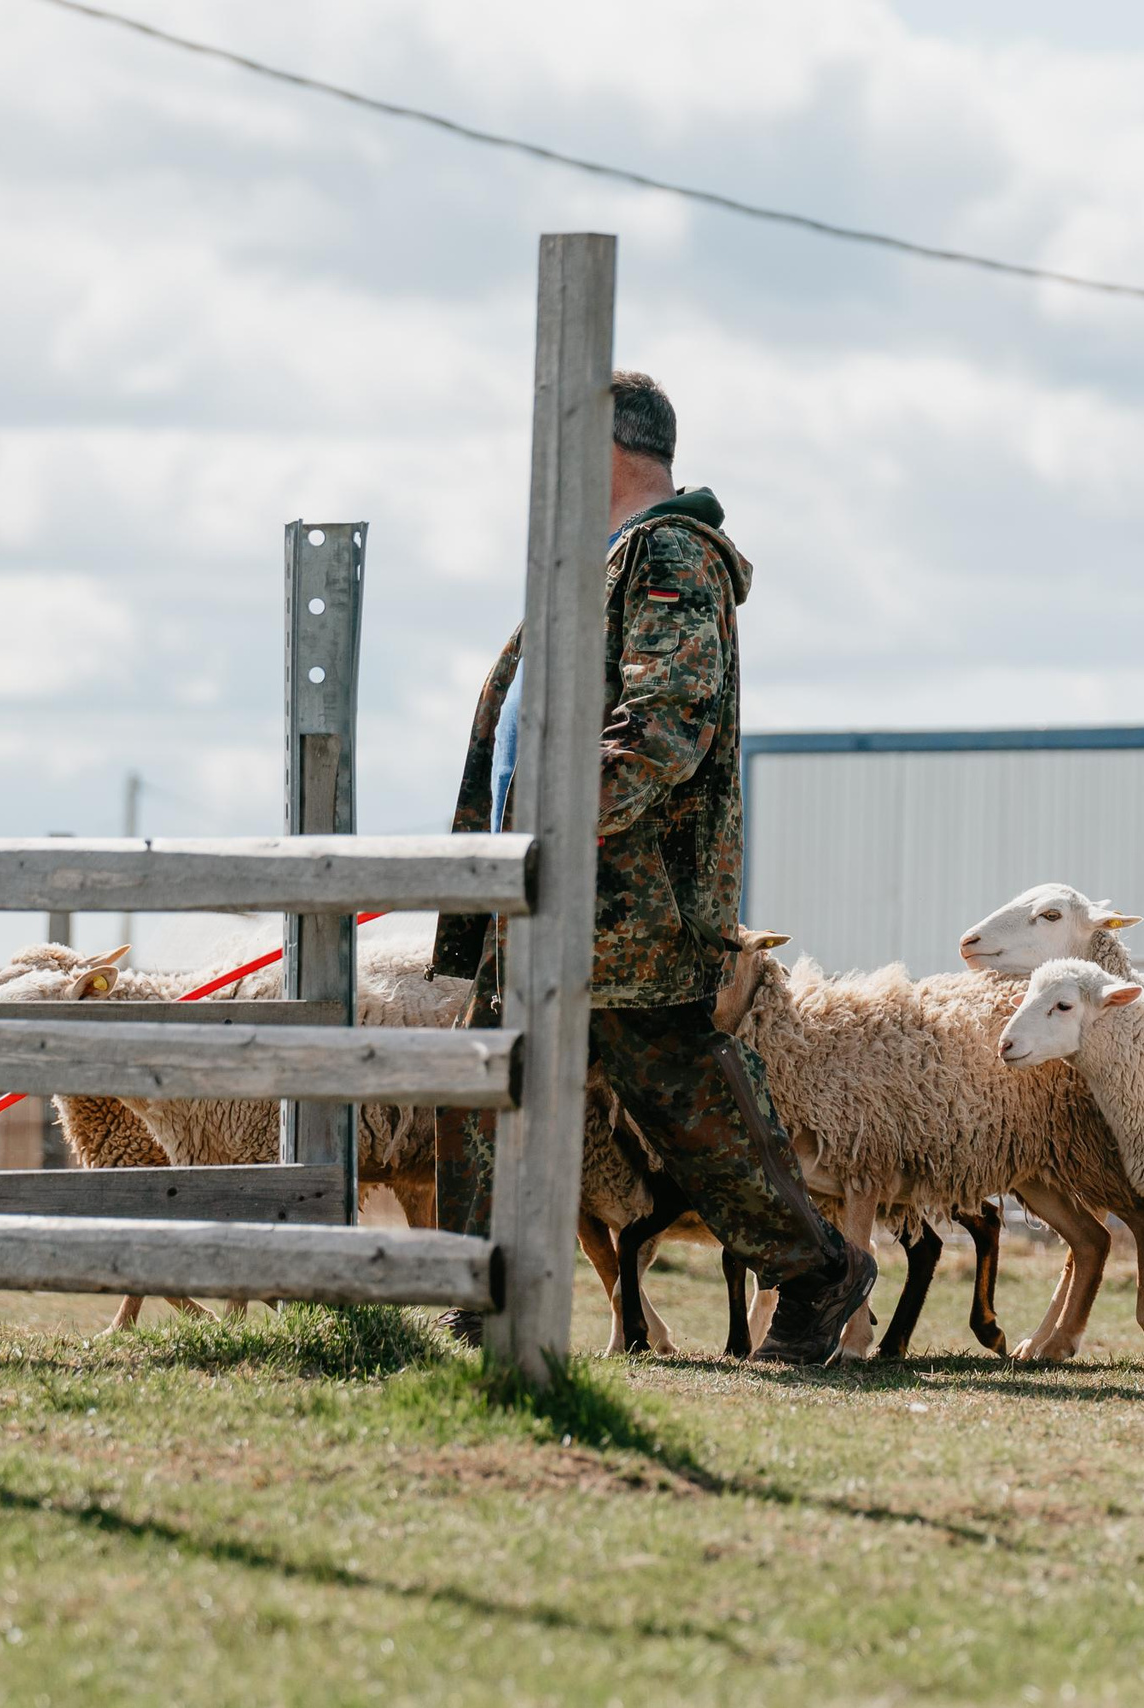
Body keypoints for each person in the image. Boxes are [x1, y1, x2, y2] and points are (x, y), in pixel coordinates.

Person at [431, 370, 875, 1365]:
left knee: (683, 1100)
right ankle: (471, 1294)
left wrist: (563, 817)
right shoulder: (590, 566)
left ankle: (815, 1270)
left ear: (604, 453)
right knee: (484, 1079)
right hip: (545, 894)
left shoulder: (668, 554)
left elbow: (667, 722)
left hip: (620, 897)